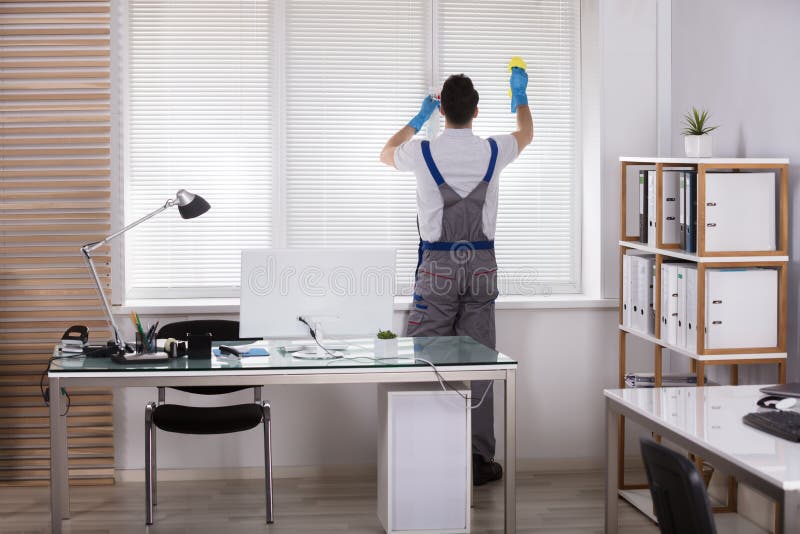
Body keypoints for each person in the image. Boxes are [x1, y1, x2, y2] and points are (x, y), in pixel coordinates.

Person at [379, 68, 533, 485]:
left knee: (426, 357)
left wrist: (418, 116)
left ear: (442, 109)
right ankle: (479, 459)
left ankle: (427, 452)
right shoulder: (495, 149)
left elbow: (386, 152)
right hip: (481, 266)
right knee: (481, 360)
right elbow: (526, 132)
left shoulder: (421, 151)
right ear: (477, 111)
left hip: (438, 268)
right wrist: (519, 95)